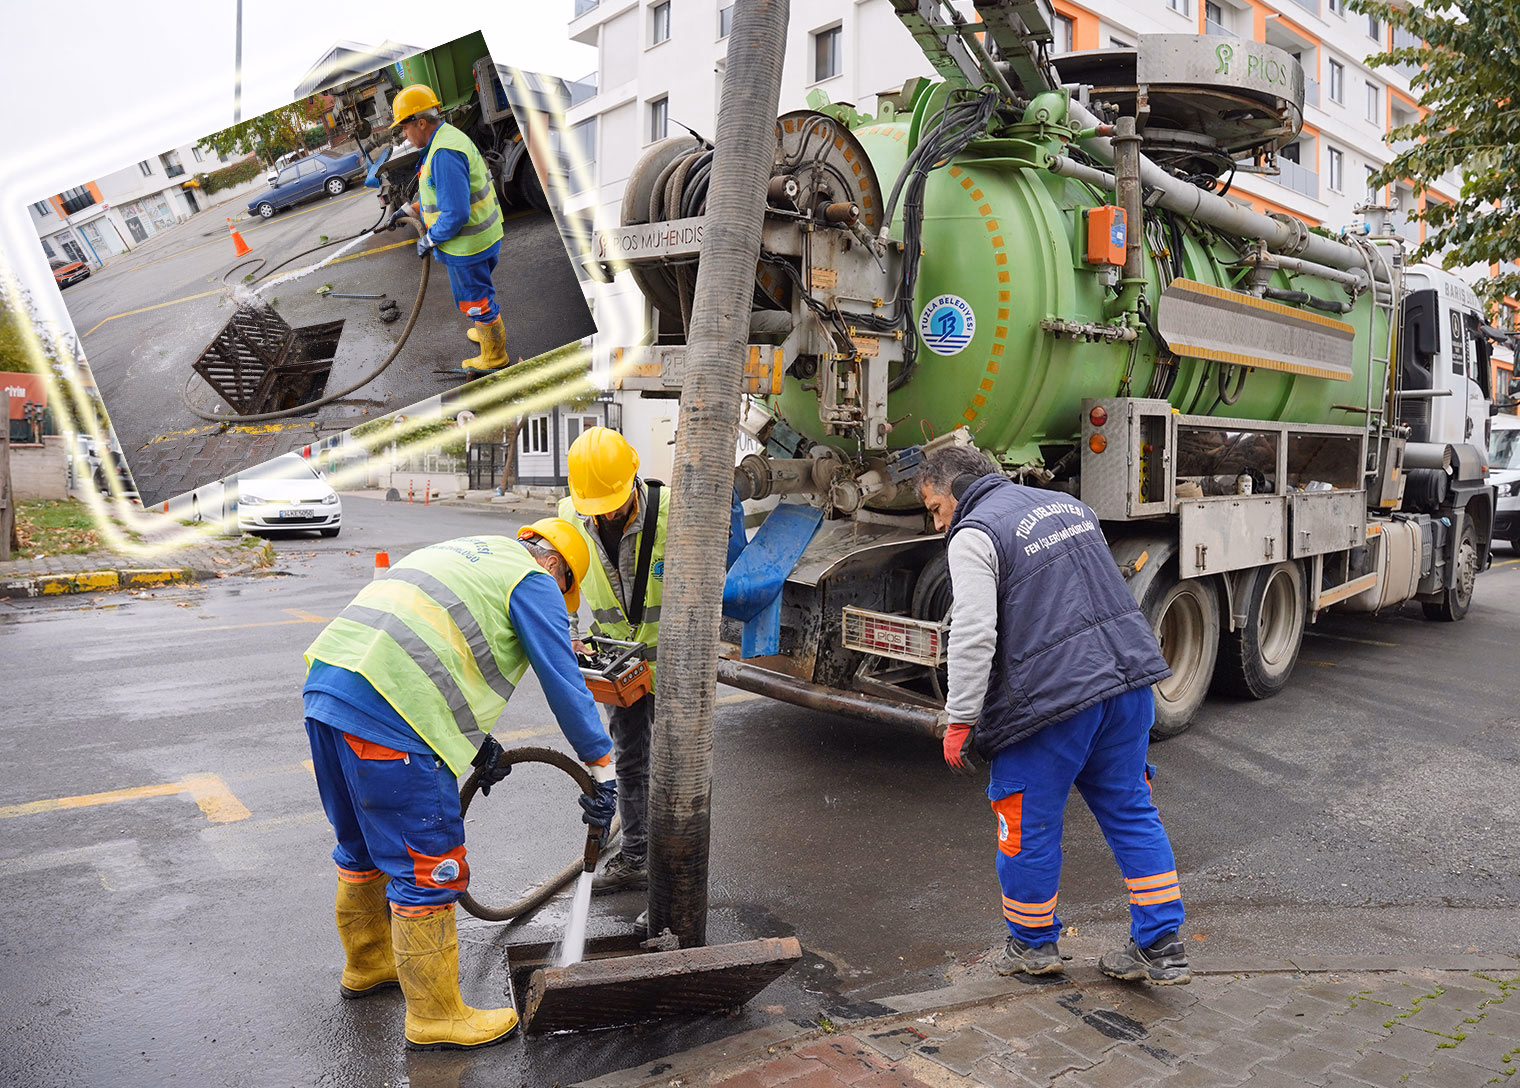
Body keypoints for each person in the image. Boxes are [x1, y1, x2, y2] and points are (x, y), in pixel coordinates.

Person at [301, 521, 619, 1050]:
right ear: (559, 568)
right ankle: (436, 1016)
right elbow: (563, 679)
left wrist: (476, 744)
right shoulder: (533, 579)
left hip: (329, 694)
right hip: (392, 718)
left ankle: (369, 963)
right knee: (428, 869)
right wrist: (602, 767)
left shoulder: (469, 552)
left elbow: (433, 650)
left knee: (361, 847)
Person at [918, 444, 1191, 986]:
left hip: (1053, 702)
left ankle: (1032, 946)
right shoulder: (1067, 506)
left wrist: (960, 718)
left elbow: (973, 633)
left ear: (953, 491)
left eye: (933, 508)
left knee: (1027, 823)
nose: (938, 521)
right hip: (1127, 683)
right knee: (1131, 810)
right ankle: (1161, 946)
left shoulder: (975, 534)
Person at [557, 427, 747, 895]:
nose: (606, 513)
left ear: (633, 480)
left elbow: (718, 578)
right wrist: (572, 637)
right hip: (618, 672)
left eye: (613, 502)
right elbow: (555, 590)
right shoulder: (570, 517)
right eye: (595, 506)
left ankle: (675, 863)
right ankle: (637, 853)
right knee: (630, 761)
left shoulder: (675, 514)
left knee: (679, 767)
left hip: (676, 669)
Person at [385, 84, 510, 374]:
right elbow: (439, 195)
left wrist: (430, 238)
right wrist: (410, 210)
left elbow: (455, 212)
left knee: (476, 300)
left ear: (420, 122)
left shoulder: (443, 153)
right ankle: (485, 332)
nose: (404, 134)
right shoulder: (445, 141)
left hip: (469, 246)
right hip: (481, 240)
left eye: (404, 127)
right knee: (477, 293)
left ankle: (495, 357)